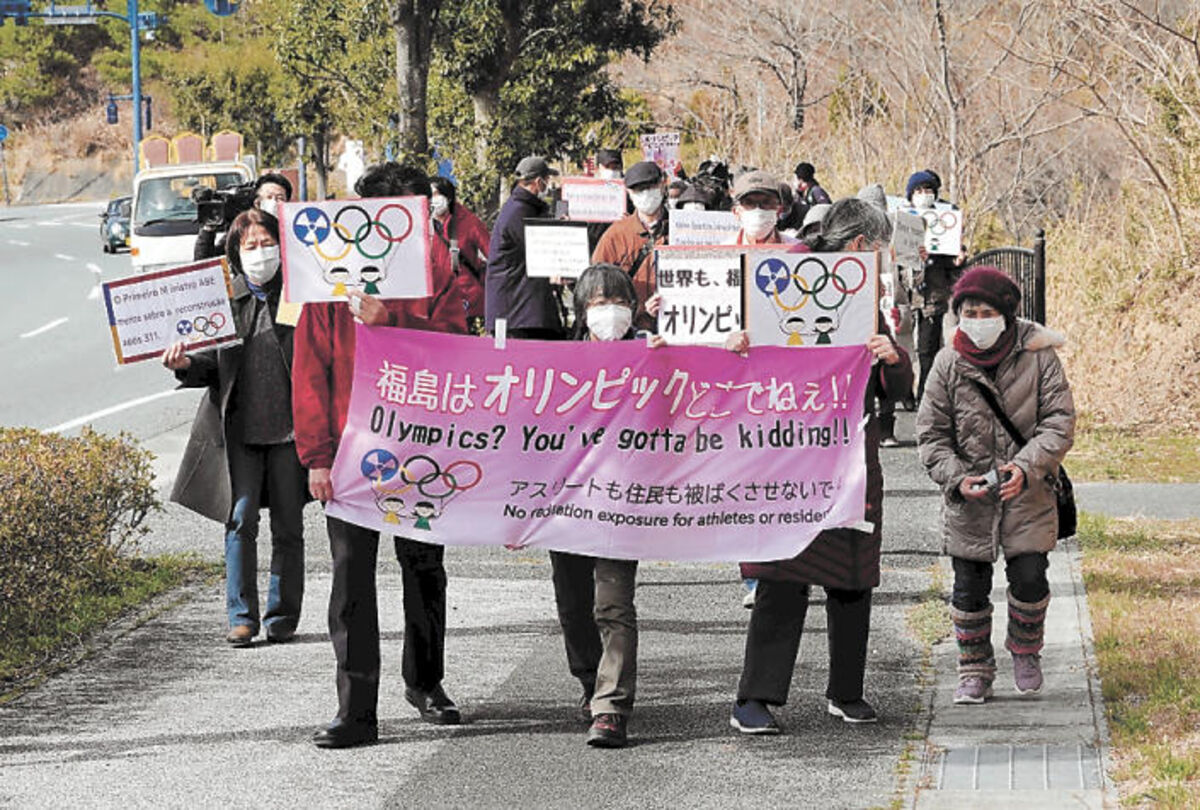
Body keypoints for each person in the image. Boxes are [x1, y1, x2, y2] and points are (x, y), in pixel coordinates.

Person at [728, 198, 913, 734]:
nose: (878, 256)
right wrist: (736, 347)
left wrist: (891, 356)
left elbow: (898, 389)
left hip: (851, 452)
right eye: (876, 247)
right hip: (788, 450)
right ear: (859, 245)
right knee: (783, 574)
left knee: (852, 575)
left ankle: (846, 691)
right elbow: (733, 367)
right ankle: (755, 698)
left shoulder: (859, 298)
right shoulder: (776, 279)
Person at [294, 162, 461, 750]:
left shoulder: (436, 267)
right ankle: (355, 708)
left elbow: (457, 350)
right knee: (350, 580)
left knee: (423, 571)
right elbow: (310, 371)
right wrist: (316, 456)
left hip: (419, 450)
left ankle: (426, 682)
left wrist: (392, 323)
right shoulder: (327, 277)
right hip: (346, 454)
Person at [915, 267, 1074, 704]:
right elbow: (931, 435)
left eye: (987, 311)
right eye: (970, 312)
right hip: (970, 500)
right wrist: (956, 478)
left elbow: (1059, 423)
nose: (978, 320)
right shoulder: (948, 363)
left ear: (1006, 314)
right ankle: (974, 669)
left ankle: (1025, 650)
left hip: (1029, 494)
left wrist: (1025, 467)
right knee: (968, 588)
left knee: (1029, 578)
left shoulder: (1039, 356)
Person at [164, 208, 307, 648]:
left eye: (267, 243)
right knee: (240, 519)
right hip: (239, 433)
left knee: (289, 526)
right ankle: (241, 617)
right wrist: (185, 363)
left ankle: (282, 615)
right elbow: (209, 364)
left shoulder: (300, 297)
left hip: (290, 433)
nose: (261, 253)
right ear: (236, 253)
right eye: (251, 246)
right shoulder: (225, 301)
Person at [549, 262, 660, 749]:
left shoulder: (650, 355)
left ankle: (612, 706)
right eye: (596, 304)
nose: (608, 312)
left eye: (617, 302)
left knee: (613, 603)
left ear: (633, 309)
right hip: (564, 504)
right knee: (573, 605)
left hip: (621, 501)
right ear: (581, 312)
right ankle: (589, 681)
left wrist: (668, 356)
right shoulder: (558, 364)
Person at [484, 156, 565, 339]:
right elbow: (542, 250)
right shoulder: (519, 211)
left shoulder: (523, 207)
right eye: (547, 181)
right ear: (538, 181)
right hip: (518, 312)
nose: (549, 186)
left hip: (522, 309)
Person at [906, 169, 965, 402]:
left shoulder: (946, 220)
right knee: (916, 350)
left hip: (939, 296)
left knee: (937, 348)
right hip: (911, 298)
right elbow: (901, 270)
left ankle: (931, 396)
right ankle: (914, 395)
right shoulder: (905, 223)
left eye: (928, 190)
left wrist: (958, 259)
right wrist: (917, 262)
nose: (924, 195)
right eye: (918, 191)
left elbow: (954, 268)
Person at [591, 161, 671, 332]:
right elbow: (597, 288)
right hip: (630, 332)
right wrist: (640, 308)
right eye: (638, 190)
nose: (646, 194)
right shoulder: (615, 235)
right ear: (628, 193)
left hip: (678, 330)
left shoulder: (682, 229)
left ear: (663, 184)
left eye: (650, 186)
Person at [430, 175, 490, 335]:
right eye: (429, 196)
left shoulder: (468, 222)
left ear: (448, 197)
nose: (433, 200)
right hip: (439, 304)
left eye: (436, 194)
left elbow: (492, 254)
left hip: (468, 301)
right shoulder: (424, 225)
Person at [194, 172, 293, 261]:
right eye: (269, 197)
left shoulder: (293, 232)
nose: (274, 202)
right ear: (257, 202)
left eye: (279, 198)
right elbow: (204, 262)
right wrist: (208, 230)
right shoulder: (243, 229)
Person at [725, 170, 800, 246]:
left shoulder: (797, 251)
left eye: (766, 202)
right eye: (749, 203)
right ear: (736, 212)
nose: (758, 210)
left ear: (779, 210)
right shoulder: (722, 253)